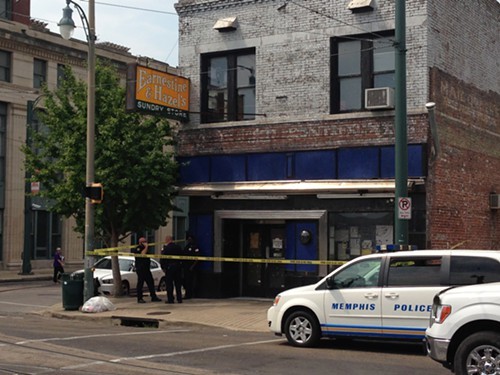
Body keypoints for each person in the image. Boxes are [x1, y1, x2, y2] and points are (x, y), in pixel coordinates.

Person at [131, 237, 162, 303]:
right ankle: (139, 298)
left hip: (146, 269)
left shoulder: (146, 248)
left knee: (150, 282)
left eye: (146, 241)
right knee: (140, 283)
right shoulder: (137, 248)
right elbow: (143, 254)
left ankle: (153, 296)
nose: (146, 243)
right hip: (140, 269)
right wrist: (146, 247)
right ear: (140, 242)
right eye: (144, 242)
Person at [161, 235, 183, 304]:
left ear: (168, 240)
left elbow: (163, 258)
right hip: (178, 267)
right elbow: (182, 256)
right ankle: (179, 298)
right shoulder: (178, 247)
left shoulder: (166, 248)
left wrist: (163, 267)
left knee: (169, 284)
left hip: (169, 267)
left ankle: (170, 299)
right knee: (178, 284)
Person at [182, 234, 199, 299]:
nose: (189, 240)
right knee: (186, 281)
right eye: (188, 239)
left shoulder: (195, 247)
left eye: (190, 239)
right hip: (186, 267)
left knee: (192, 282)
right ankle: (187, 294)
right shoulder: (186, 247)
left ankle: (192, 294)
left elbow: (197, 257)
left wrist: (193, 266)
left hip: (192, 267)